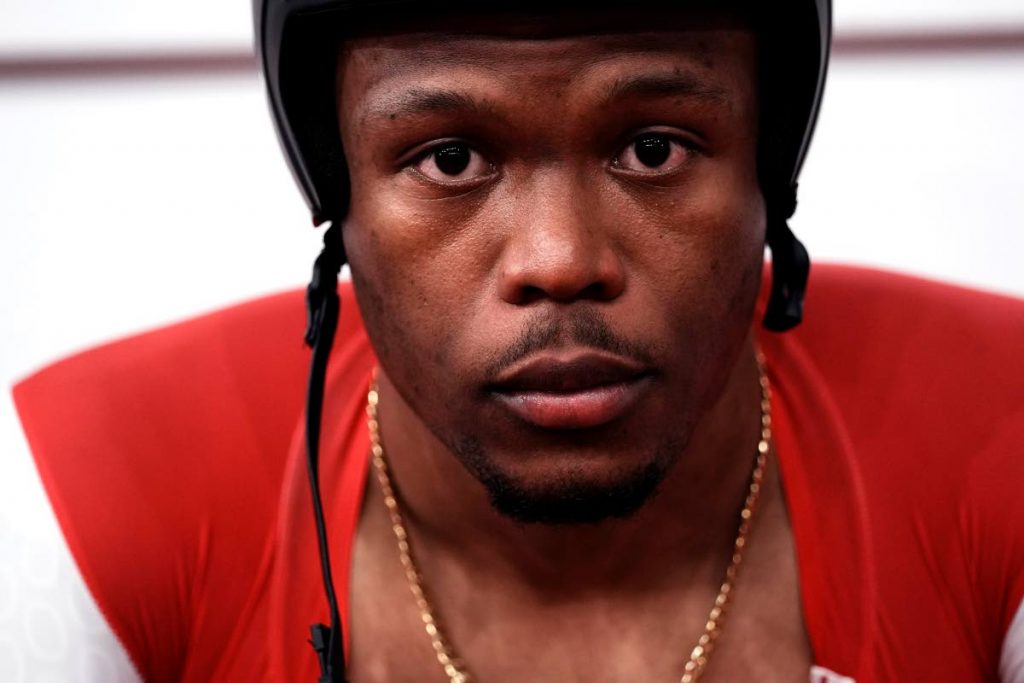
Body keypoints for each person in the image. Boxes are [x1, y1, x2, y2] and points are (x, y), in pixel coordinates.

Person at [10, 0, 1024, 681]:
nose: (560, 259)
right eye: (450, 158)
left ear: (768, 170)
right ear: (335, 191)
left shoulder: (1002, 420)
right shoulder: (82, 483)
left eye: (652, 148)